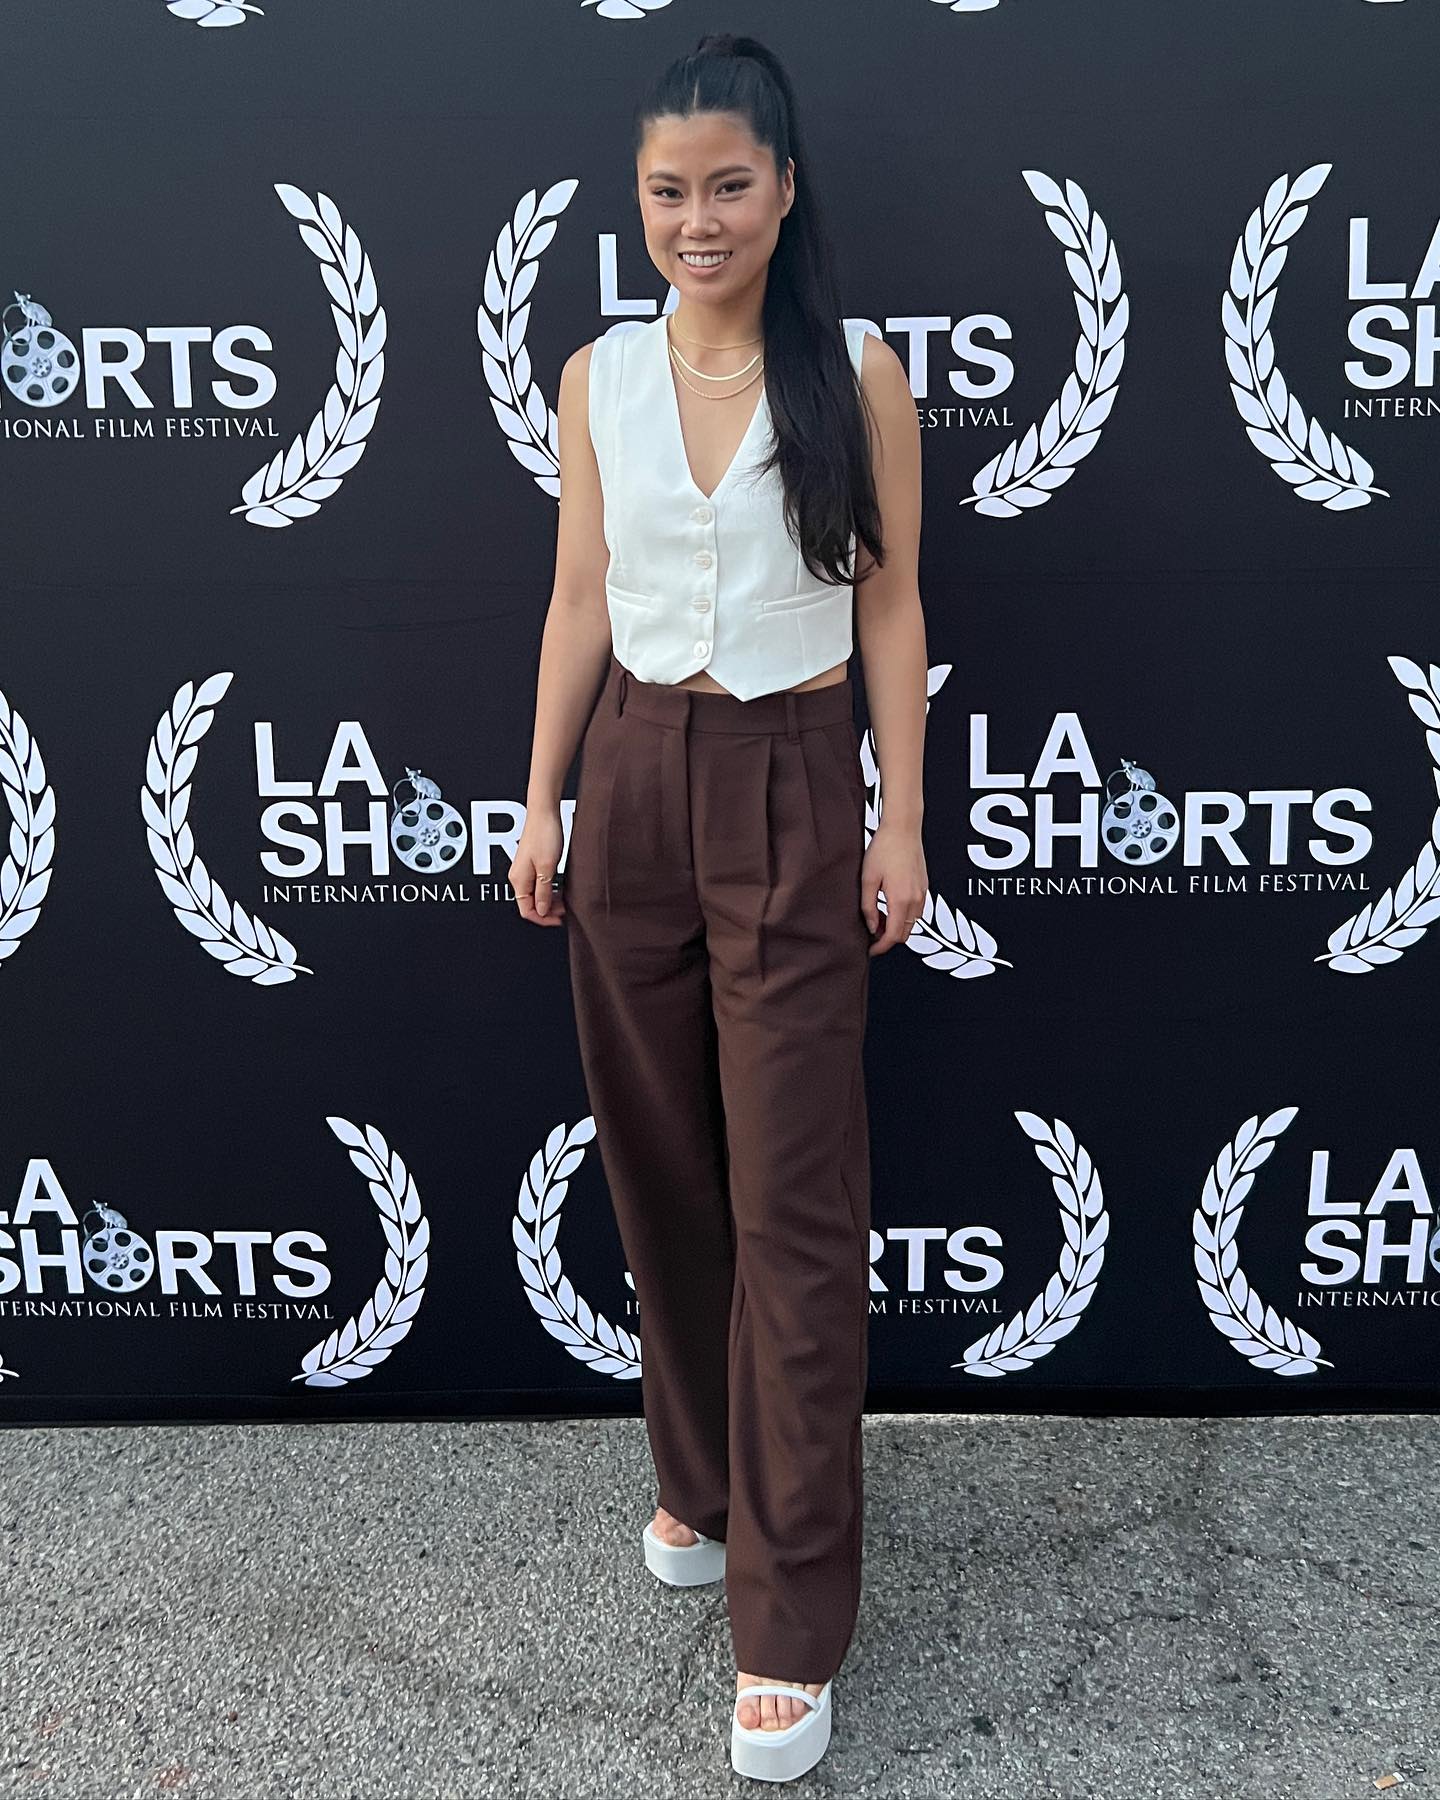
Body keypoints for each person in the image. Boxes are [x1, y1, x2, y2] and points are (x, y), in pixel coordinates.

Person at [509, 30, 928, 1783]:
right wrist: (543, 796)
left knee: (797, 1208)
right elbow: (578, 598)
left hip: (791, 780)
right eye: (669, 190)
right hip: (632, 786)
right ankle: (699, 1476)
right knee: (664, 1171)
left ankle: (790, 1623)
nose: (700, 220)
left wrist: (904, 817)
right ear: (640, 199)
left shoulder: (860, 375)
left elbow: (892, 609)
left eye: (730, 187)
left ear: (785, 189)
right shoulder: (597, 376)